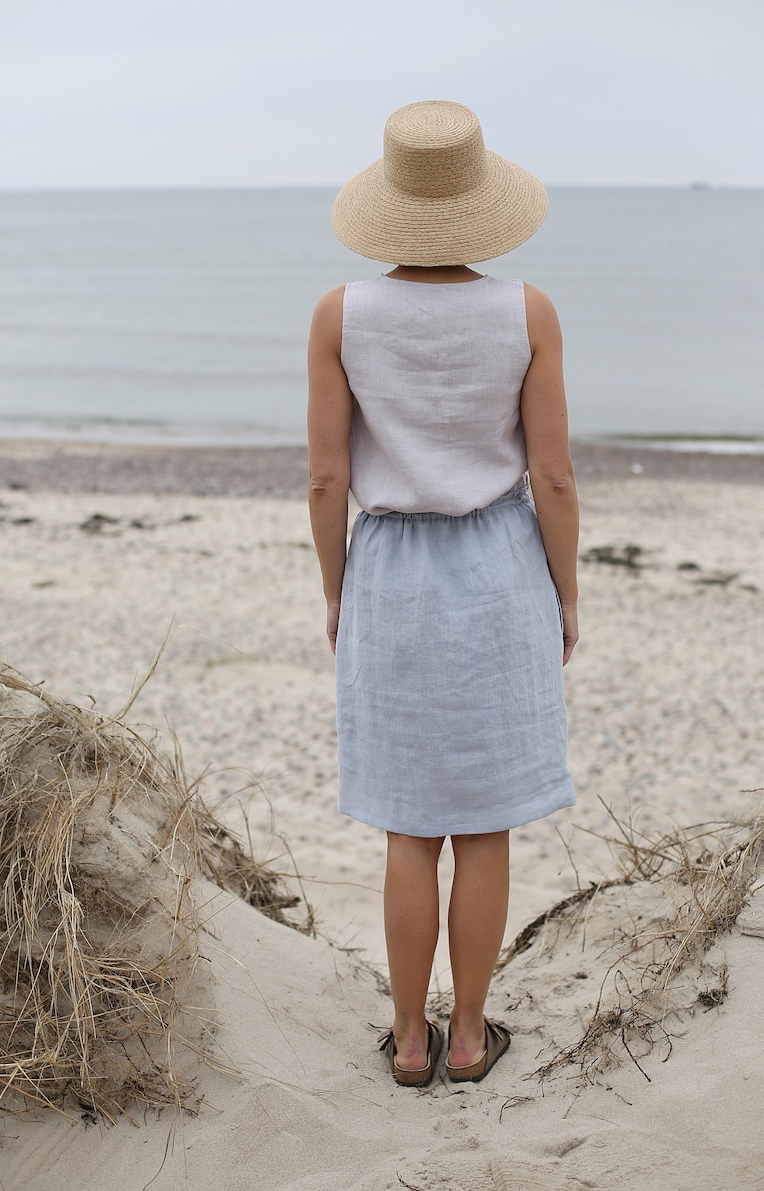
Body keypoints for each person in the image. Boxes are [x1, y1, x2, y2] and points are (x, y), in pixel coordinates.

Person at [307, 100, 578, 1087]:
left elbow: (325, 478)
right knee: (484, 821)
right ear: (480, 200)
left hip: (390, 576)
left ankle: (408, 1044)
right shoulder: (525, 312)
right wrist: (567, 592)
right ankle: (470, 1038)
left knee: (408, 827)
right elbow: (551, 475)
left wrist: (337, 591)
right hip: (498, 569)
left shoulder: (340, 313)